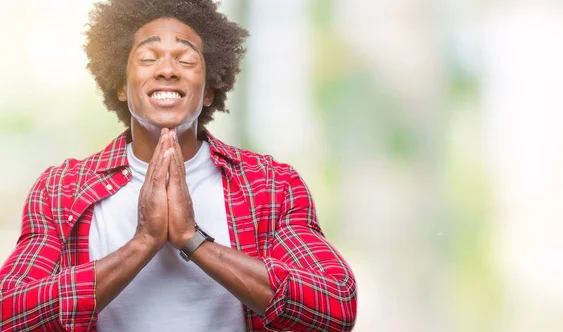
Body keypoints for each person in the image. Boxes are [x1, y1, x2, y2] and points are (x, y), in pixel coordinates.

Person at [0, 1, 357, 331]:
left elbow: (336, 303)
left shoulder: (271, 184)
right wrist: (143, 243)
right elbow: (9, 312)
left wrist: (192, 240)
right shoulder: (61, 189)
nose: (168, 70)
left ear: (208, 92)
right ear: (122, 85)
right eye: (149, 57)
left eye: (185, 60)